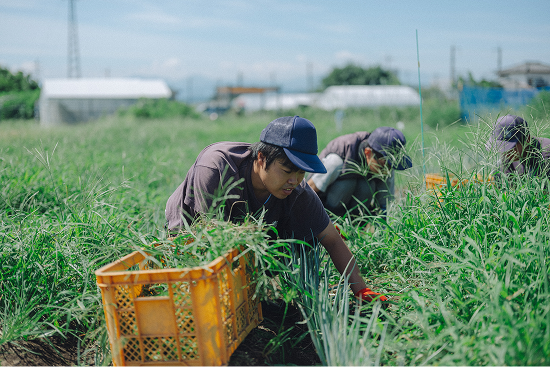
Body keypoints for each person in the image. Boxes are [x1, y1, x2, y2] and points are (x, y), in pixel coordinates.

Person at [165, 115, 386, 302]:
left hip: (247, 245)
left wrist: (361, 289)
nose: (295, 180)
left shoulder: (298, 192)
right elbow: (208, 237)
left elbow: (332, 239)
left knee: (308, 238)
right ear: (261, 158)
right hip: (191, 237)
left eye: (301, 172)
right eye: (287, 170)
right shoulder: (217, 167)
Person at [307, 127, 412, 218]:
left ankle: (353, 231)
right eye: (384, 164)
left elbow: (384, 207)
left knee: (366, 186)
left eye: (391, 165)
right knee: (348, 184)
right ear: (368, 153)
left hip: (355, 214)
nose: (387, 171)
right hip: (325, 209)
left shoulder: (385, 166)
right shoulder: (338, 157)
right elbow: (307, 192)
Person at [486, 114, 550, 179]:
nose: (506, 153)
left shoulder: (546, 154)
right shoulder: (506, 160)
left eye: (510, 147)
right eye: (502, 147)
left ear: (527, 140)